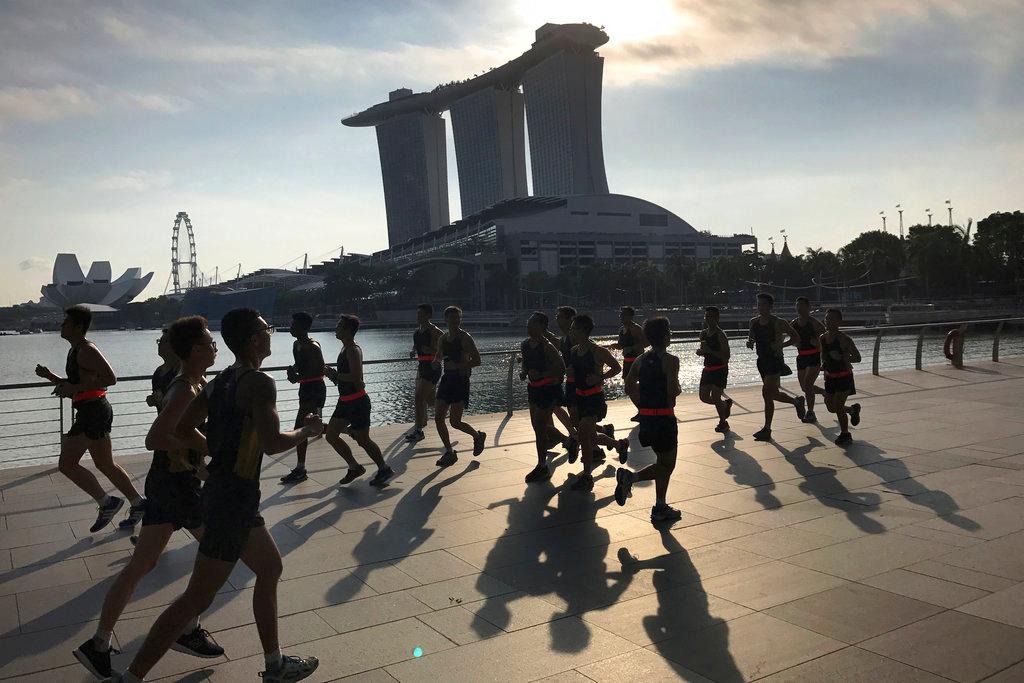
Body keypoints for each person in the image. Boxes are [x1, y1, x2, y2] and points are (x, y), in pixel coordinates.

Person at [111, 308, 322, 683]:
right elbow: (273, 443)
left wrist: (215, 448)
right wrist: (307, 432)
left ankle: (275, 664)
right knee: (196, 597)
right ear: (254, 340)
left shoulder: (220, 381)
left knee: (270, 567)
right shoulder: (258, 382)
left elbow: (186, 423)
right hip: (233, 500)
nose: (271, 334)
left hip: (230, 494)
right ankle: (131, 677)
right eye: (266, 329)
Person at [73, 317, 222, 679]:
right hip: (175, 487)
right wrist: (202, 447)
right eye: (209, 343)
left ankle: (99, 643)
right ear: (195, 350)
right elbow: (156, 438)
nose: (215, 348)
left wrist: (197, 459)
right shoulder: (185, 388)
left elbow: (175, 437)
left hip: (175, 483)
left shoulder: (196, 383)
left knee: (144, 564)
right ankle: (186, 629)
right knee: (218, 554)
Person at [35, 305, 145, 533]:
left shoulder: (86, 350)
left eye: (65, 323)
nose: (61, 326)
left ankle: (107, 502)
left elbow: (109, 378)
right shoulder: (76, 350)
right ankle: (138, 503)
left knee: (67, 464)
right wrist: (51, 377)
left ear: (78, 327)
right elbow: (78, 382)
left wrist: (73, 387)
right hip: (92, 409)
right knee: (105, 463)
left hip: (93, 411)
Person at [615, 316, 682, 523]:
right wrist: (676, 390)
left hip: (647, 421)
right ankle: (630, 478)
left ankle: (660, 506)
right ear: (665, 336)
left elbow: (628, 386)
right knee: (667, 465)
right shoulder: (671, 360)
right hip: (664, 420)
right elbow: (672, 390)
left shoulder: (640, 360)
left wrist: (643, 406)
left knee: (662, 462)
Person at [324, 315, 394, 487]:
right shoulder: (344, 349)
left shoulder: (353, 350)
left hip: (357, 402)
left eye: (339, 325)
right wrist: (333, 376)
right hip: (345, 401)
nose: (336, 328)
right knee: (331, 435)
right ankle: (354, 467)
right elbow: (350, 379)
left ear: (348, 330)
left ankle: (384, 468)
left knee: (363, 440)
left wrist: (335, 374)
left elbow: (356, 376)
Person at [567, 314, 629, 492]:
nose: (571, 332)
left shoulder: (597, 351)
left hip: (594, 398)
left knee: (585, 435)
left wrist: (599, 377)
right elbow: (574, 373)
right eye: (571, 329)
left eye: (574, 328)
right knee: (591, 437)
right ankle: (619, 445)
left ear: (584, 330)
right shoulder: (573, 351)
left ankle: (587, 476)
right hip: (579, 397)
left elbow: (617, 367)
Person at [746, 292, 805, 441]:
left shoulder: (779, 322)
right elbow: (751, 337)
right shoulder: (753, 322)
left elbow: (796, 337)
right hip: (762, 361)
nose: (760, 307)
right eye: (758, 304)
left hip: (775, 360)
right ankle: (796, 401)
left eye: (763, 304)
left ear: (770, 306)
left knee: (766, 393)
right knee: (772, 394)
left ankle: (767, 429)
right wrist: (750, 343)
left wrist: (781, 345)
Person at [434, 306, 486, 467]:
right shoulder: (443, 338)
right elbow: (438, 357)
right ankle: (449, 452)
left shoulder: (465, 338)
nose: (455, 321)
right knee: (438, 417)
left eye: (458, 318)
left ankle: (477, 436)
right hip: (446, 379)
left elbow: (477, 360)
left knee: (455, 422)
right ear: (446, 319)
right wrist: (435, 363)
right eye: (452, 318)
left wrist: (459, 366)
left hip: (460, 380)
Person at [520, 312, 566, 483]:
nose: (528, 326)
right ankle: (567, 441)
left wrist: (542, 373)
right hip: (533, 389)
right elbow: (526, 363)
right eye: (528, 322)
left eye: (532, 323)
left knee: (540, 426)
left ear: (541, 327)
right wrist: (524, 373)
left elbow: (561, 367)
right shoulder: (525, 345)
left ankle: (542, 465)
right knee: (538, 427)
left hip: (548, 389)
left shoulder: (547, 346)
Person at [280, 312, 326, 484]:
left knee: (300, 426)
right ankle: (347, 430)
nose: (291, 326)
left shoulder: (313, 346)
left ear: (304, 327)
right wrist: (294, 374)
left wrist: (297, 376)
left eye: (294, 324)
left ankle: (301, 468)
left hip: (315, 389)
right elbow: (301, 368)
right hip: (305, 388)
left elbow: (319, 370)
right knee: (309, 425)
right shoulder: (296, 345)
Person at [820, 308, 863, 445]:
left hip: (844, 376)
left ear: (839, 321)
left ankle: (845, 434)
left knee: (838, 405)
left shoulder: (844, 339)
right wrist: (823, 367)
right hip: (830, 377)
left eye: (831, 319)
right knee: (830, 407)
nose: (828, 322)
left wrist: (844, 357)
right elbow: (823, 356)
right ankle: (852, 410)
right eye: (826, 319)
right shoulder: (823, 338)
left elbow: (858, 357)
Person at [405, 304, 443, 443]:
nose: (418, 316)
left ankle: (418, 431)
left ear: (428, 315)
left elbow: (446, 348)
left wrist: (432, 351)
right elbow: (417, 344)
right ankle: (448, 404)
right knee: (431, 401)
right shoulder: (417, 331)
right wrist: (413, 350)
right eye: (417, 314)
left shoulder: (435, 331)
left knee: (418, 398)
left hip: (433, 368)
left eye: (420, 314)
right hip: (421, 367)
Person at [696, 307, 733, 433]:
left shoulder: (720, 335)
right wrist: (700, 352)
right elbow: (704, 350)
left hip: (720, 369)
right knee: (704, 397)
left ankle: (723, 422)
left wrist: (710, 351)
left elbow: (726, 356)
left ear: (717, 318)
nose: (708, 319)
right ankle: (725, 405)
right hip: (707, 369)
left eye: (711, 316)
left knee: (716, 396)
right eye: (706, 316)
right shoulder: (703, 333)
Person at [790, 297, 826, 424]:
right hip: (801, 357)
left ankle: (810, 412)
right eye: (797, 305)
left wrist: (817, 343)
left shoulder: (814, 323)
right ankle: (823, 391)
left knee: (808, 384)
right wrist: (795, 344)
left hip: (814, 356)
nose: (799, 308)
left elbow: (827, 338)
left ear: (808, 307)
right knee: (804, 387)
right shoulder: (794, 323)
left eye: (801, 305)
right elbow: (790, 338)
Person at [611, 306, 648, 422]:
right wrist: (614, 346)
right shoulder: (621, 330)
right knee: (629, 388)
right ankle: (642, 410)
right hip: (627, 362)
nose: (621, 316)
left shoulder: (636, 328)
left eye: (623, 314)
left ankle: (644, 410)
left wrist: (632, 348)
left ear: (630, 316)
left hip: (638, 361)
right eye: (620, 314)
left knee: (630, 387)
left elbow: (646, 342)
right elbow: (622, 345)